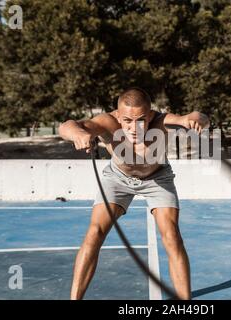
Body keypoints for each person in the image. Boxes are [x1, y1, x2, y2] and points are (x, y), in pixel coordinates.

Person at [59, 87, 210, 300]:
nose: (134, 127)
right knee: (94, 233)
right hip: (118, 178)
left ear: (149, 116)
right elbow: (66, 126)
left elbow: (196, 116)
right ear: (118, 116)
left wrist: (195, 119)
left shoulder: (161, 121)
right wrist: (78, 134)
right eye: (127, 120)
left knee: (172, 236)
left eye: (140, 120)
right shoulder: (108, 123)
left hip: (157, 179)